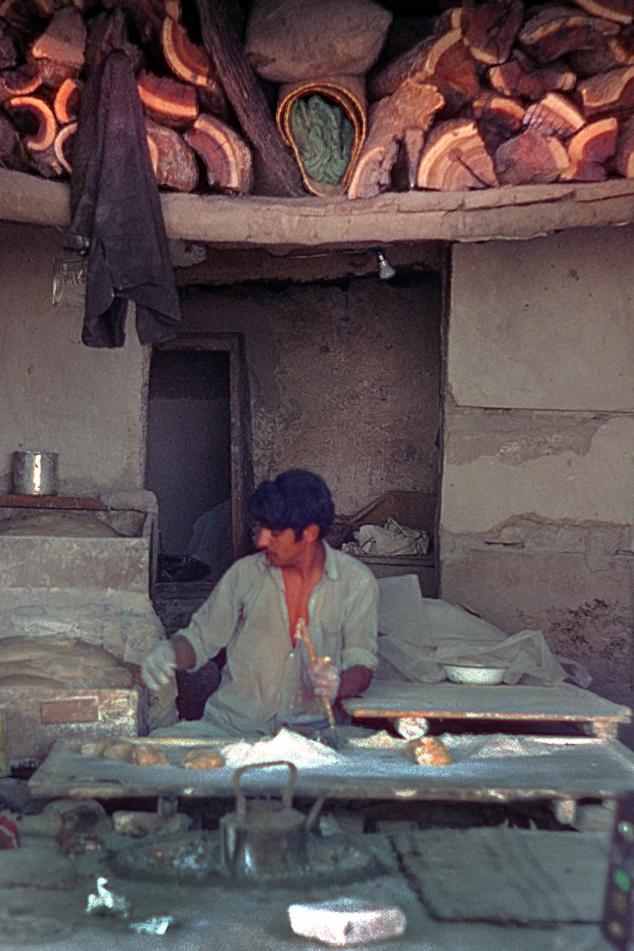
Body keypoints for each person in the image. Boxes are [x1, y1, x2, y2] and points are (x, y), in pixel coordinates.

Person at [141, 469, 378, 738]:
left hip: (313, 737)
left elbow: (362, 665)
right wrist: (169, 653)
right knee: (159, 750)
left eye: (274, 532)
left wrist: (338, 684)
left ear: (309, 533)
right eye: (262, 527)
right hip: (232, 728)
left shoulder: (356, 583)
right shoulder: (245, 574)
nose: (261, 540)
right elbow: (200, 639)